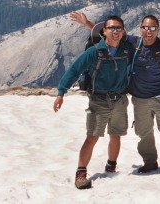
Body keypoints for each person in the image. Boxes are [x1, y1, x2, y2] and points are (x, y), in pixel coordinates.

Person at [70, 11, 160, 173]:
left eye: (152, 28)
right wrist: (87, 23)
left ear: (158, 30)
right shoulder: (133, 43)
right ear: (140, 28)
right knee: (144, 133)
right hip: (139, 99)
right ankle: (150, 161)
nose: (149, 31)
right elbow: (110, 33)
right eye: (145, 27)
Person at [53, 15, 134, 189]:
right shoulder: (94, 52)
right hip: (98, 100)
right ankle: (81, 173)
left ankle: (111, 167)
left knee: (116, 135)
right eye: (111, 28)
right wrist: (61, 92)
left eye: (119, 28)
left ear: (123, 31)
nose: (115, 31)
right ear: (104, 31)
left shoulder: (127, 50)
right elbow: (75, 70)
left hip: (120, 100)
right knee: (92, 137)